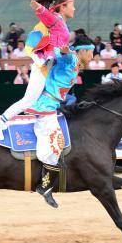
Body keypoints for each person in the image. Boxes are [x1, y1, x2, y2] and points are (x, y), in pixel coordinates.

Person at [0, 0, 74, 139]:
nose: (51, 13)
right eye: (50, 10)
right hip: (43, 68)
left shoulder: (59, 24)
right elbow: (30, 49)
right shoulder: (41, 27)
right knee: (28, 100)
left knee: (50, 100)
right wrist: (44, 62)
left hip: (51, 69)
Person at [30, 36, 94, 207]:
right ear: (82, 51)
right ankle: (44, 186)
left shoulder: (75, 64)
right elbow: (63, 55)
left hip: (53, 105)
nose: (92, 56)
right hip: (46, 106)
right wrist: (64, 49)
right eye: (91, 52)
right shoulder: (71, 58)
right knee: (57, 144)